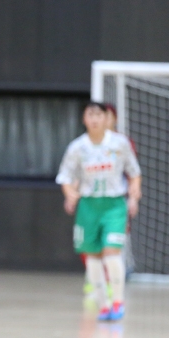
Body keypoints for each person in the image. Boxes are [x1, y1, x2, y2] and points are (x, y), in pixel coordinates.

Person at [56, 101, 142, 321]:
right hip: (88, 205)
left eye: (98, 115)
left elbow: (134, 171)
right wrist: (69, 193)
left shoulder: (120, 143)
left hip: (114, 205)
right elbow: (65, 176)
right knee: (92, 254)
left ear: (107, 119)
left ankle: (118, 301)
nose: (94, 119)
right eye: (90, 115)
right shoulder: (77, 147)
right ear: (84, 119)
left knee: (112, 251)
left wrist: (134, 192)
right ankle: (103, 304)